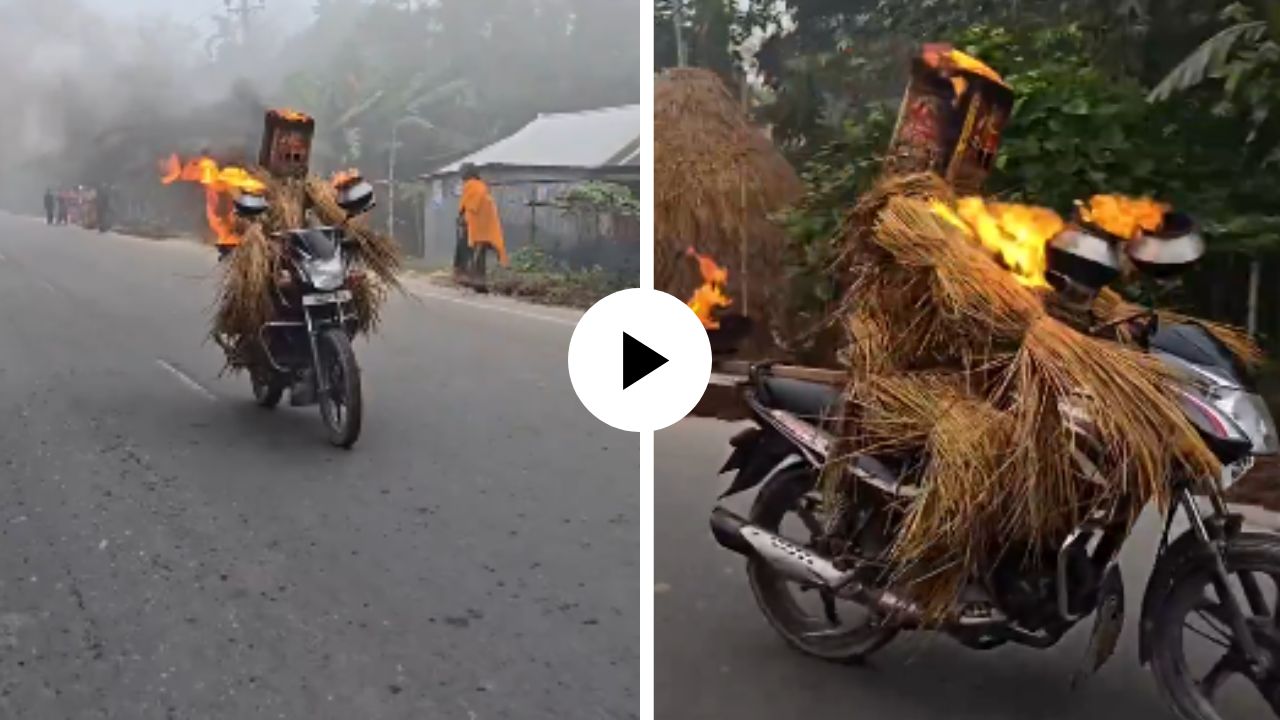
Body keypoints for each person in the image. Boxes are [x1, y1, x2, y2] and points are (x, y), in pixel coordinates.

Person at [457, 165, 507, 290]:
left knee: (465, 250)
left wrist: (462, 220)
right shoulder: (482, 186)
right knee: (480, 253)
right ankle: (480, 281)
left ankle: (466, 276)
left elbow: (466, 206)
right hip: (486, 226)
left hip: (474, 224)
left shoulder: (470, 185)